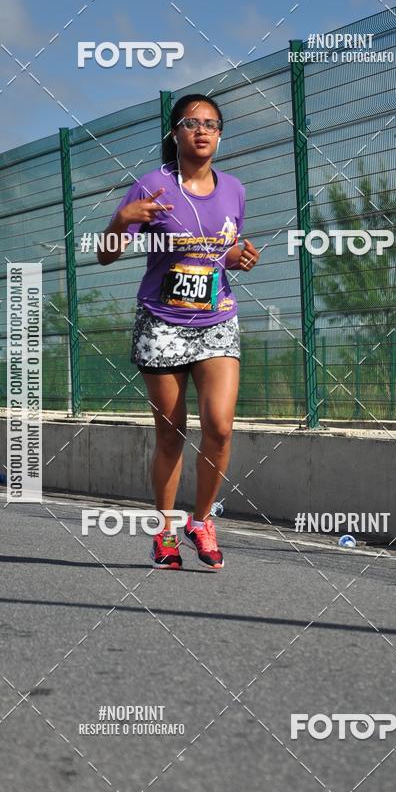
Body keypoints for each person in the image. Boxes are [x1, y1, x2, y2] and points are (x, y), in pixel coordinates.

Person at [97, 94, 259, 571]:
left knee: (220, 427)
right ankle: (165, 531)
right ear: (175, 133)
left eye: (211, 123)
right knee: (171, 435)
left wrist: (238, 257)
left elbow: (222, 251)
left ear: (220, 135)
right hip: (162, 322)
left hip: (217, 319)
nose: (202, 131)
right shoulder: (153, 185)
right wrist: (121, 220)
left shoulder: (235, 189)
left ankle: (202, 522)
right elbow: (106, 254)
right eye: (192, 123)